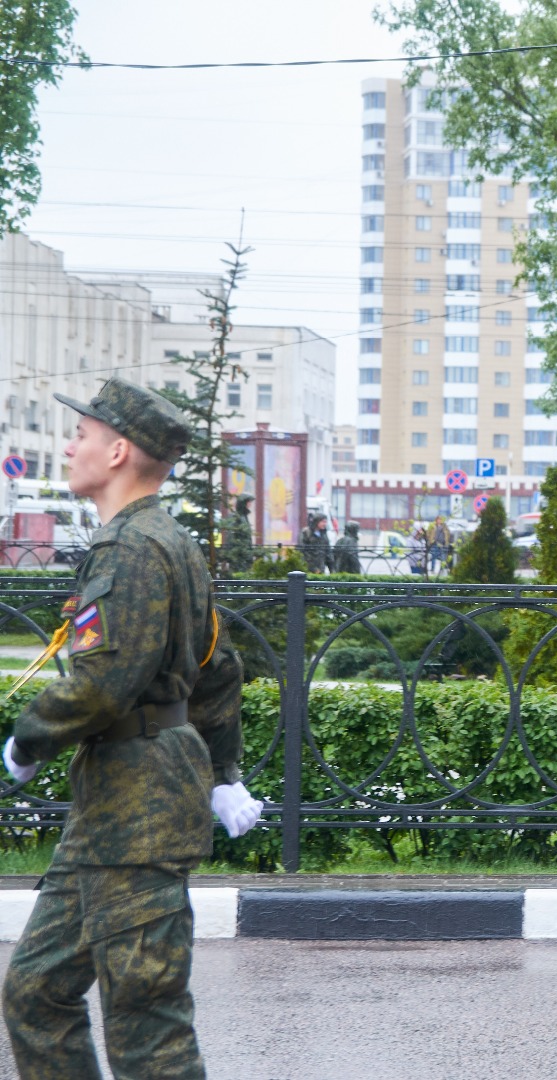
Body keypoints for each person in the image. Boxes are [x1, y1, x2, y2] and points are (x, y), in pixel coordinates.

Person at [1, 377, 262, 1079]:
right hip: (112, 808)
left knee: (148, 1024)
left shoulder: (134, 550)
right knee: (35, 992)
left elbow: (100, 685)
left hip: (139, 807)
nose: (69, 444)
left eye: (81, 434)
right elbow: (219, 668)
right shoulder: (164, 542)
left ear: (117, 451)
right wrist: (220, 771)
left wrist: (27, 741)